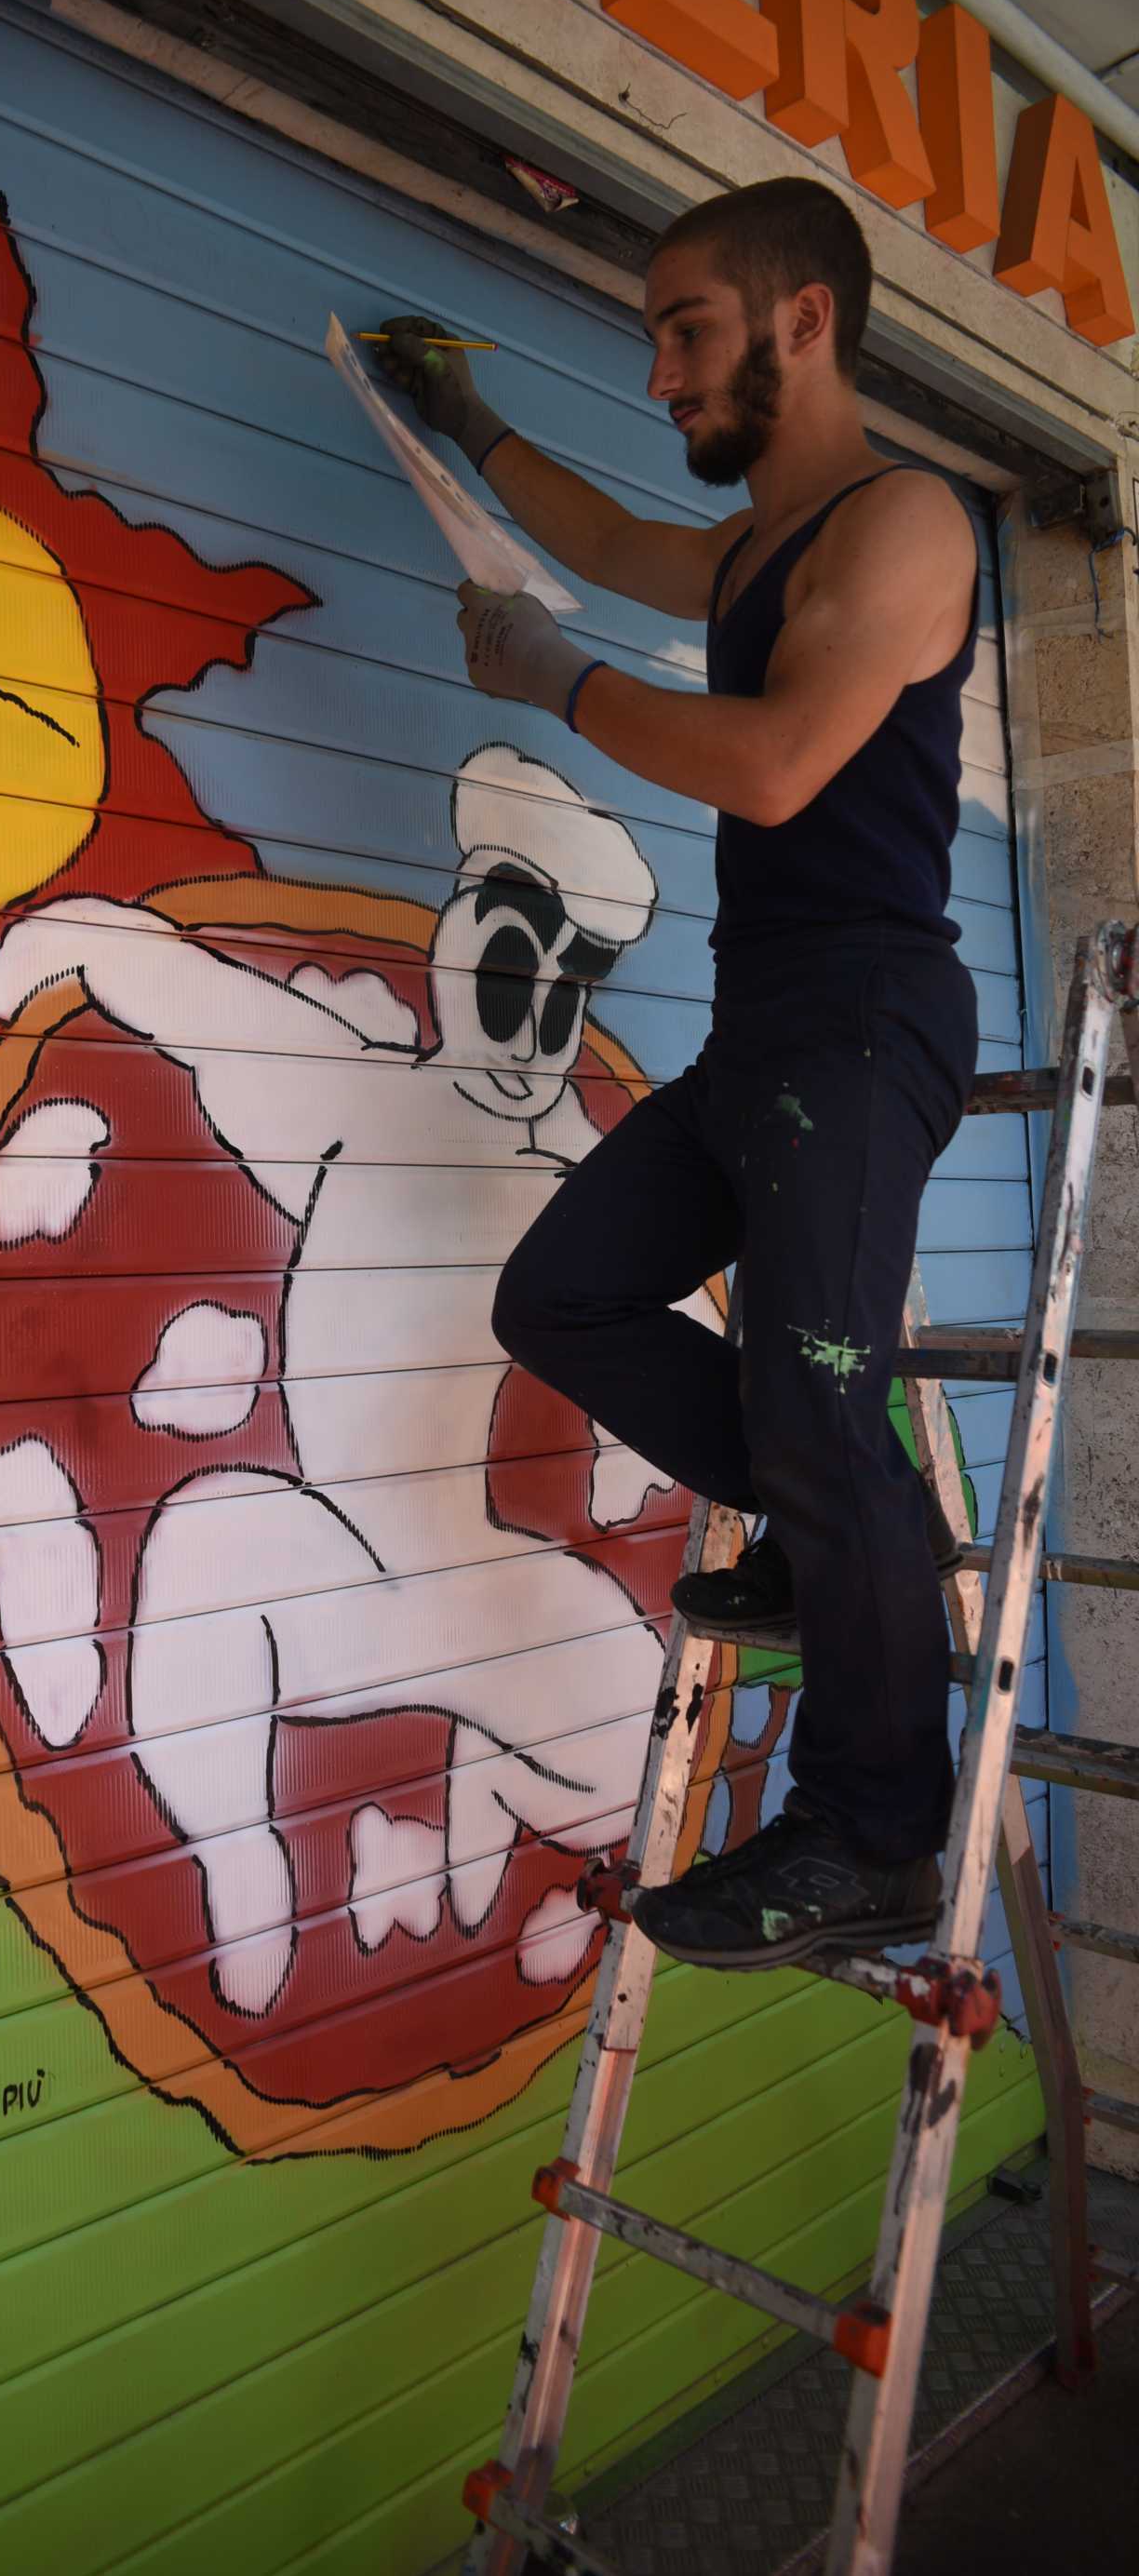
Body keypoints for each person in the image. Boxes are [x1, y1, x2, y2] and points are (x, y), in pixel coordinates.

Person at [375, 174, 981, 1971]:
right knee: (563, 1293)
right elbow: (587, 531)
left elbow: (785, 764)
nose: (660, 374)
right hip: (767, 1023)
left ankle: (875, 1830)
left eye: (688, 330)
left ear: (806, 318)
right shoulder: (742, 556)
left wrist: (559, 684)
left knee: (820, 1394)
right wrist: (462, 414)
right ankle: (825, 1531)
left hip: (864, 1019)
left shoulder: (907, 526)